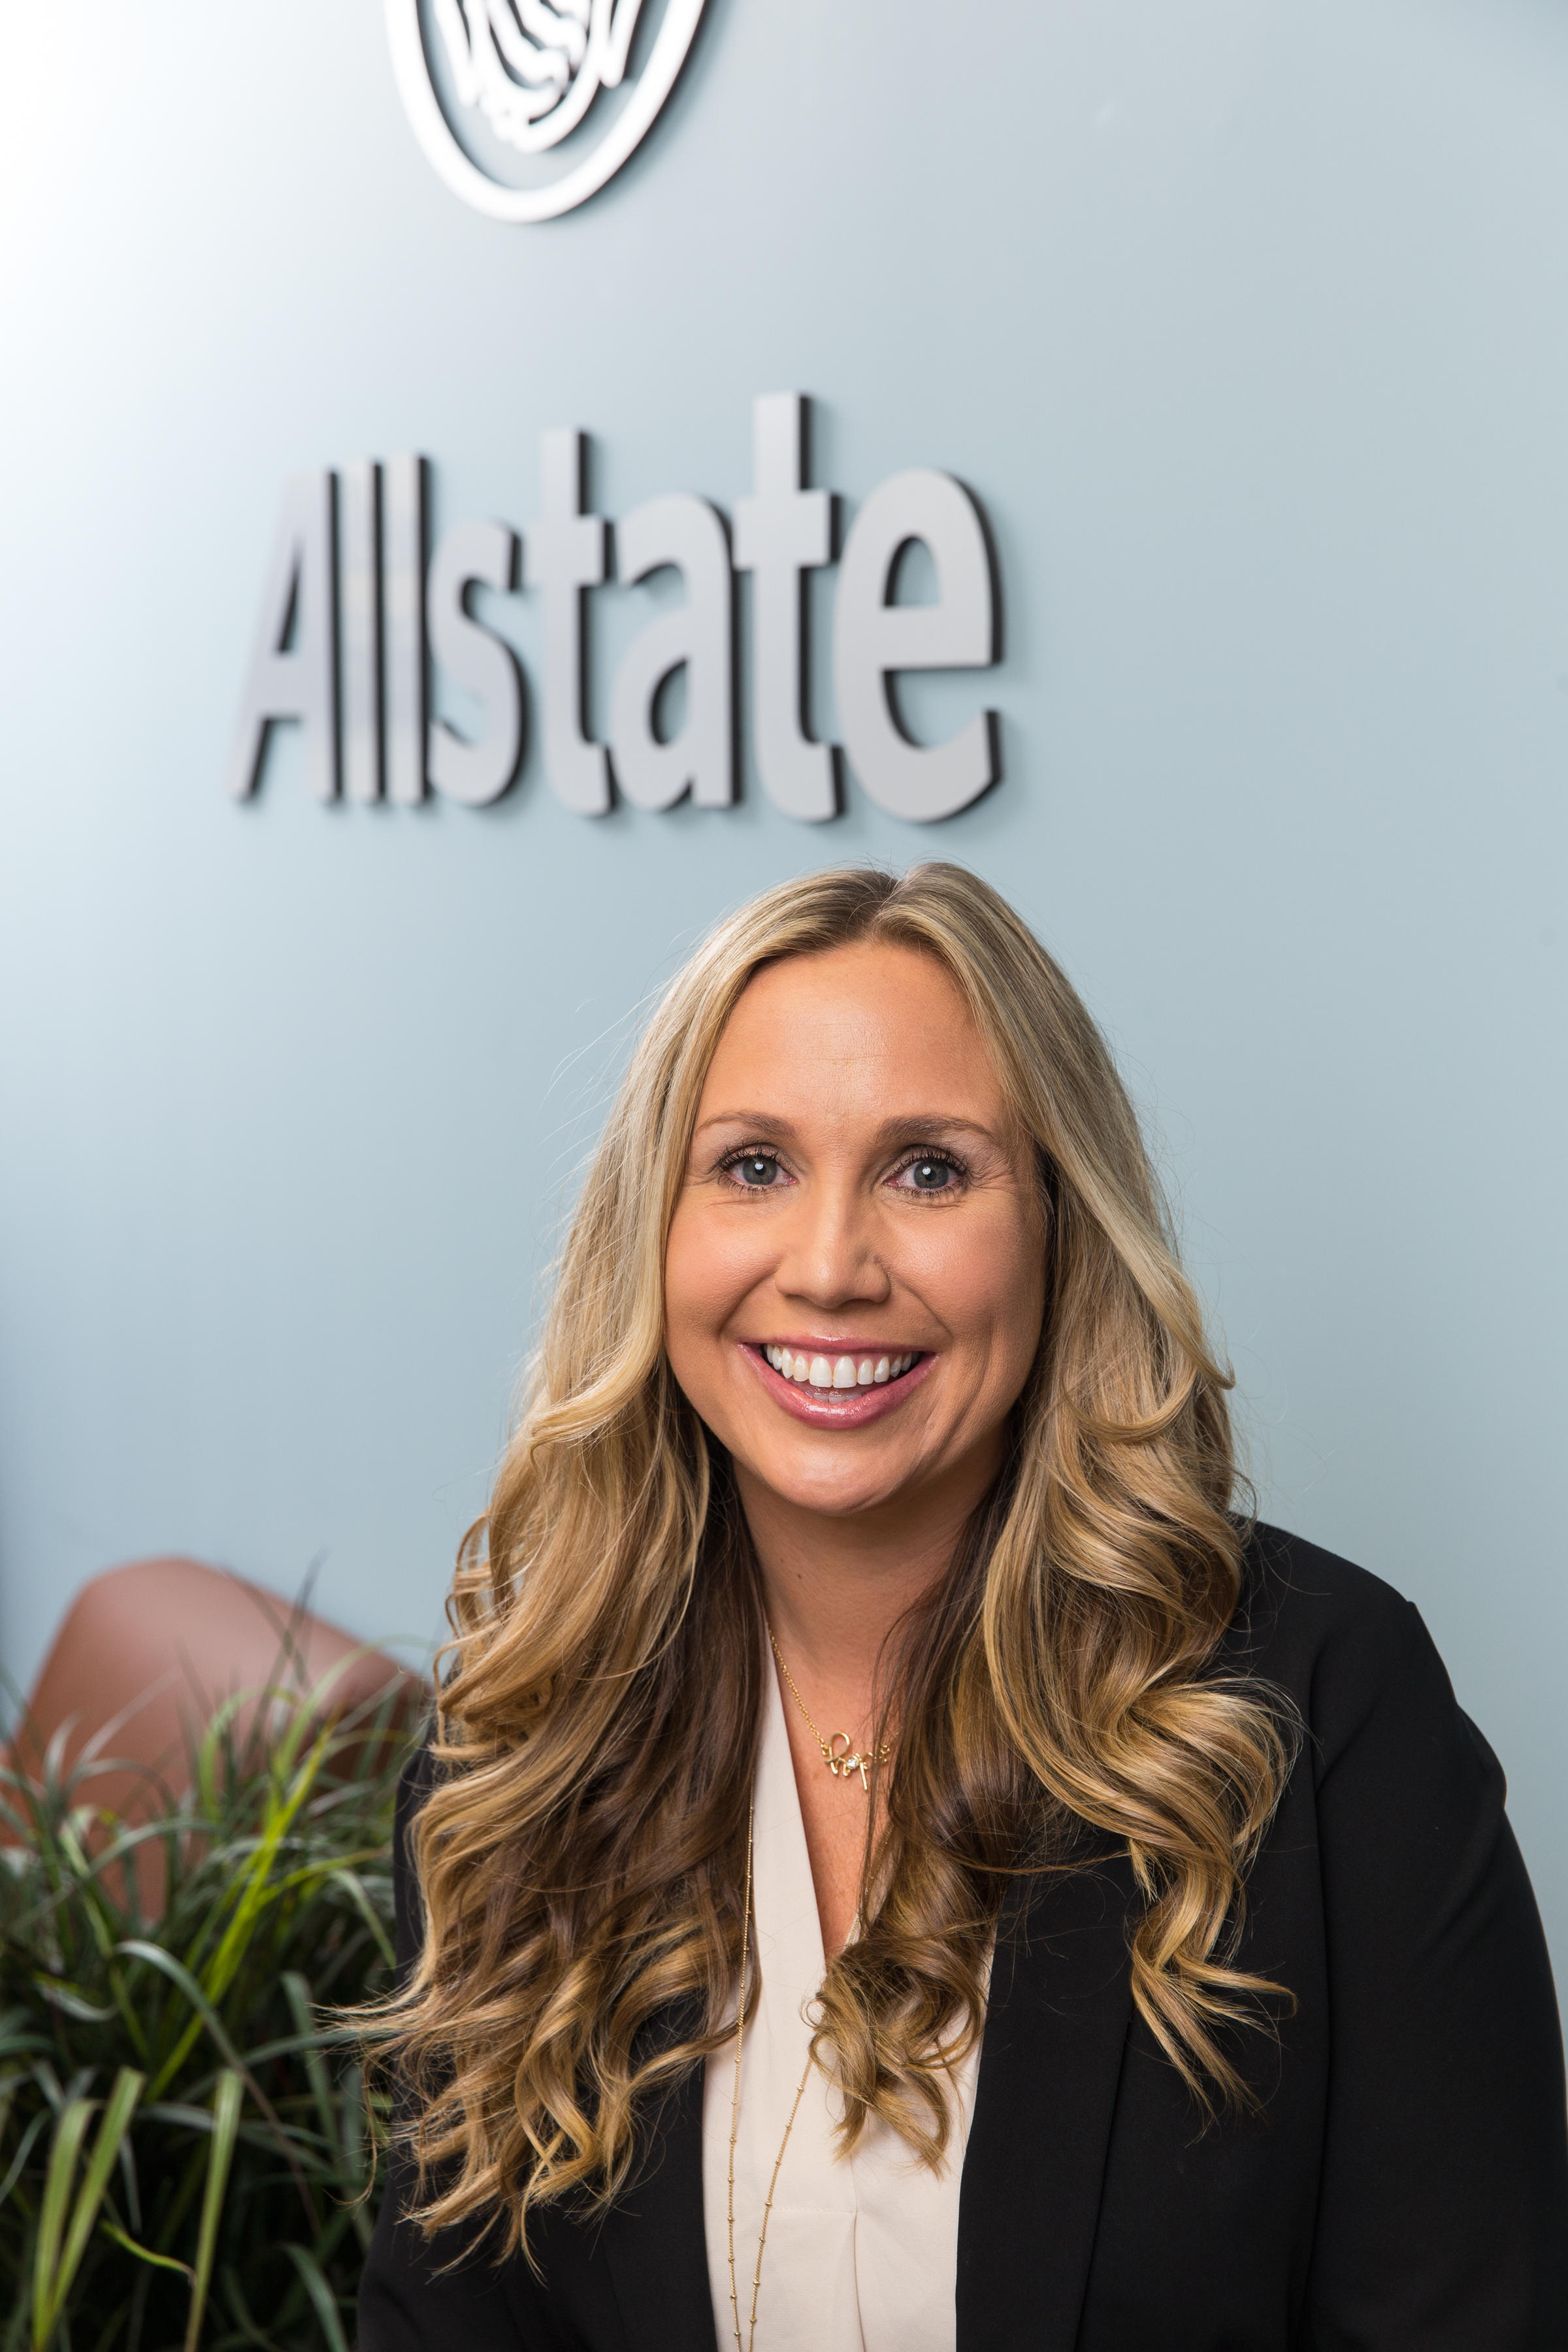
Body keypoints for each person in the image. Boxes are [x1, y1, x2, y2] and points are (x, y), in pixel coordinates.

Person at [359, 862, 1567, 2351]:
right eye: (751, 1166)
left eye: (929, 1169)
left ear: (1061, 1226)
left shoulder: (1322, 1714)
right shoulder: (518, 1757)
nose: (830, 1268)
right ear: (652, 1235)